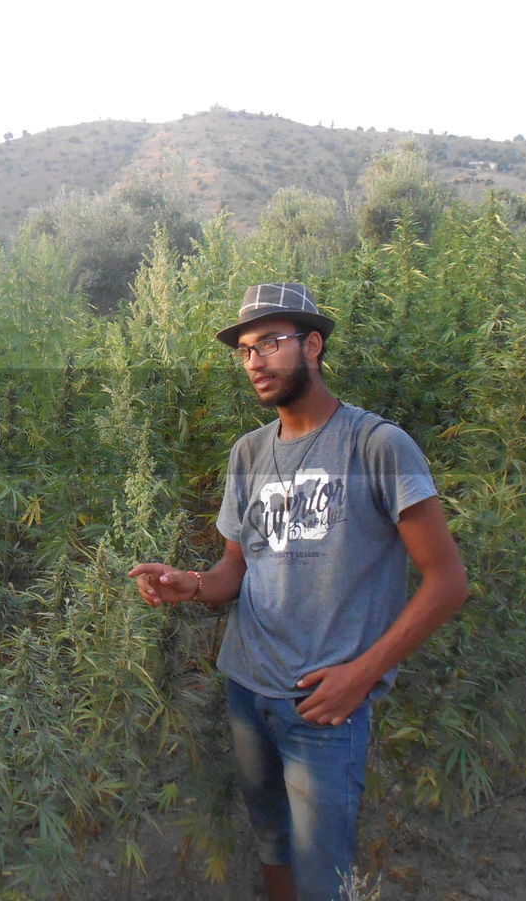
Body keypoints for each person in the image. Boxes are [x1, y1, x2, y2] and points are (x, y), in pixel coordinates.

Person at [129, 282, 468, 901]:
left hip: (323, 704)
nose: (256, 361)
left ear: (313, 346)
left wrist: (362, 674)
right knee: (272, 846)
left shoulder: (376, 446)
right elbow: (238, 568)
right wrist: (193, 584)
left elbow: (448, 583)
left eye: (271, 344)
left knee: (323, 876)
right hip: (247, 687)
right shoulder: (249, 453)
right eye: (247, 350)